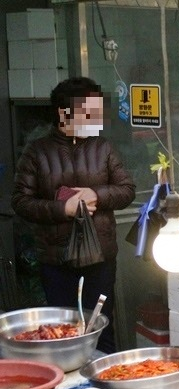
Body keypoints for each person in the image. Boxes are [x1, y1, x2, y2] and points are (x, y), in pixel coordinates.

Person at [11, 77, 136, 353]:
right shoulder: (37, 152)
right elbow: (21, 202)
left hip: (100, 259)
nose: (96, 117)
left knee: (101, 327)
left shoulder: (102, 148)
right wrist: (62, 209)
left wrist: (97, 195)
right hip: (56, 260)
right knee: (62, 335)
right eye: (88, 110)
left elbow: (126, 190)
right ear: (63, 112)